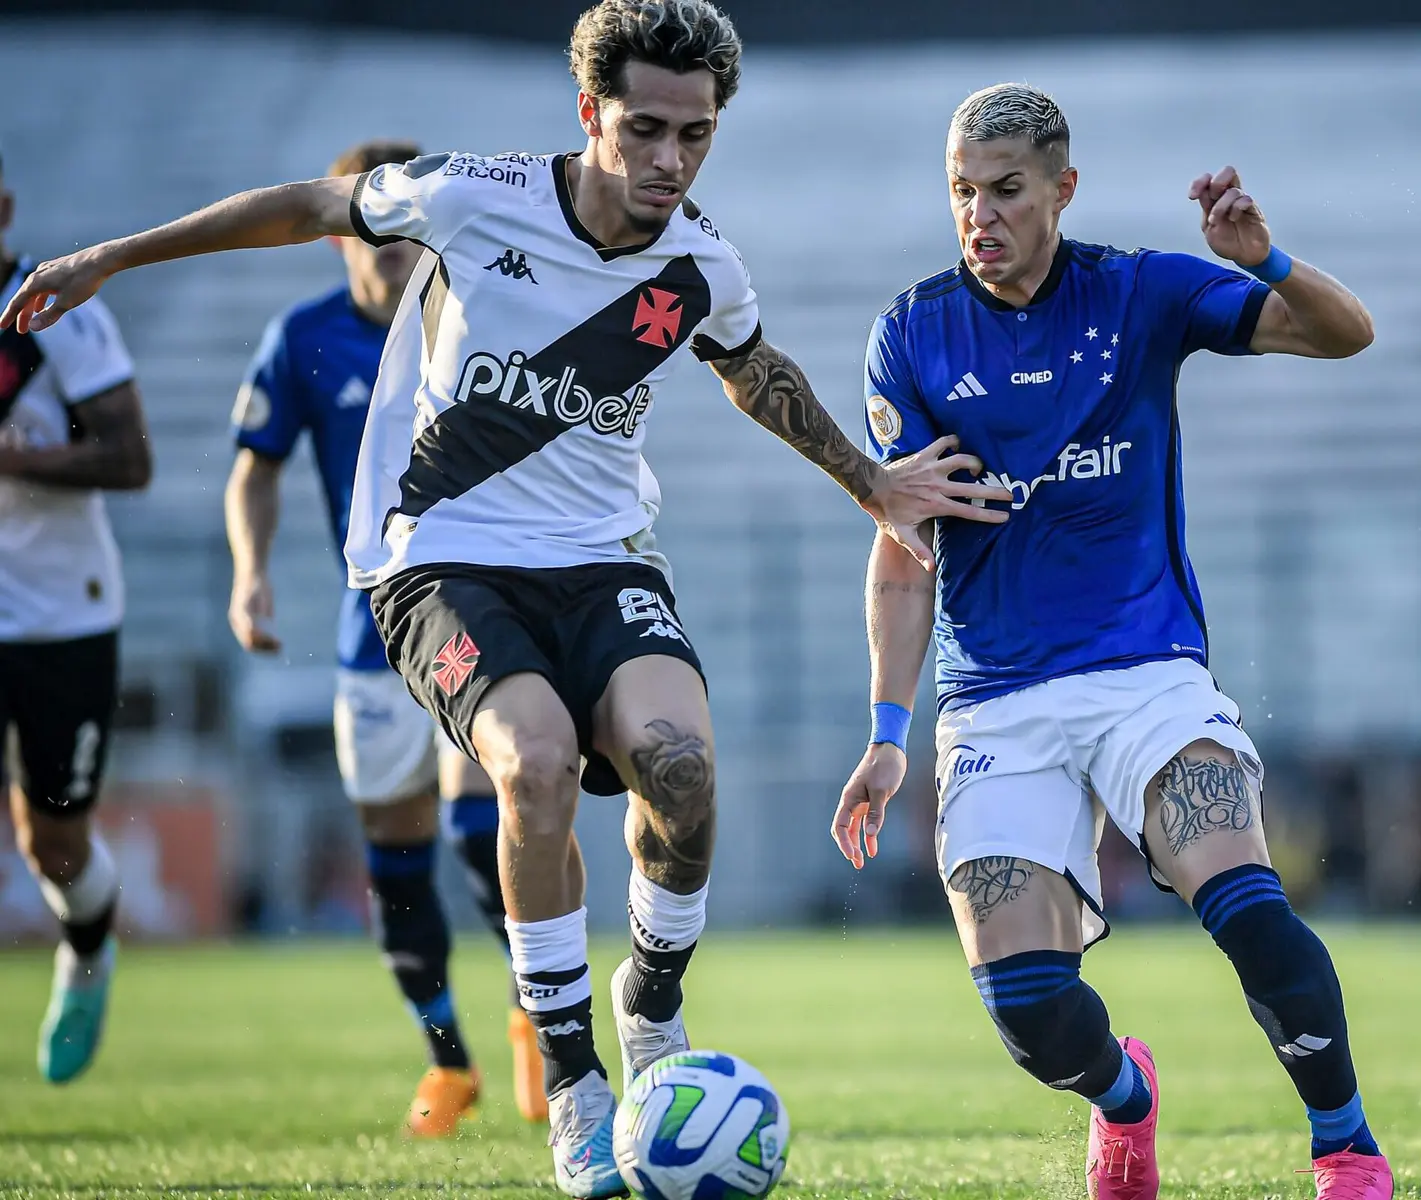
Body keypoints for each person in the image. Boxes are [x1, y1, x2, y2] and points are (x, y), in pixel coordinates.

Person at [5, 3, 1003, 1193]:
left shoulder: (701, 263)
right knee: (529, 767)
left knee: (682, 772)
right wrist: (113, 254)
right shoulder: (473, 196)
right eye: (645, 130)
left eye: (696, 136)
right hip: (442, 558)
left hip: (605, 559)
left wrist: (871, 483)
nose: (670, 161)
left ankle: (650, 1004)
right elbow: (310, 207)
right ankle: (578, 1085)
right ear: (591, 116)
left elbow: (754, 370)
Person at [832, 84, 1392, 1200]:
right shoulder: (911, 334)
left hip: (1147, 678)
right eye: (960, 193)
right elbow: (903, 553)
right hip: (994, 699)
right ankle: (1125, 1099)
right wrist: (890, 733)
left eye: (1004, 191)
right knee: (1030, 1014)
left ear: (1061, 190)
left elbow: (1347, 334)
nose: (979, 215)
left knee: (1249, 908)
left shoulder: (1139, 292)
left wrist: (1265, 260)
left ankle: (1345, 1146)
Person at [224, 138, 546, 1135]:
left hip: (471, 617)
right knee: (394, 858)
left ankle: (541, 1021)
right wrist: (250, 573)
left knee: (476, 822)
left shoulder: (473, 323)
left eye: (416, 230)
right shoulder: (302, 339)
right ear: (342, 234)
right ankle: (448, 1063)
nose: (401, 250)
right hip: (371, 635)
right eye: (381, 231)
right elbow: (254, 467)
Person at [0, 149, 153, 1083]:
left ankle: (89, 948)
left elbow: (130, 456)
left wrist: (16, 461)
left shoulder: (46, 313)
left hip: (63, 615)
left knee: (51, 841)